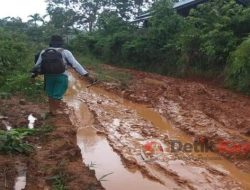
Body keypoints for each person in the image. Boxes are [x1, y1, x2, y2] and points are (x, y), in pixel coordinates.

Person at [31, 35, 94, 115]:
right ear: (61, 43)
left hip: (48, 76)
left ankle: (51, 109)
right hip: (61, 76)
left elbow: (37, 65)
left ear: (51, 43)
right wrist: (86, 75)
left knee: (50, 93)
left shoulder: (44, 52)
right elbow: (75, 64)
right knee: (58, 95)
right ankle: (54, 111)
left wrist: (33, 75)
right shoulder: (65, 52)